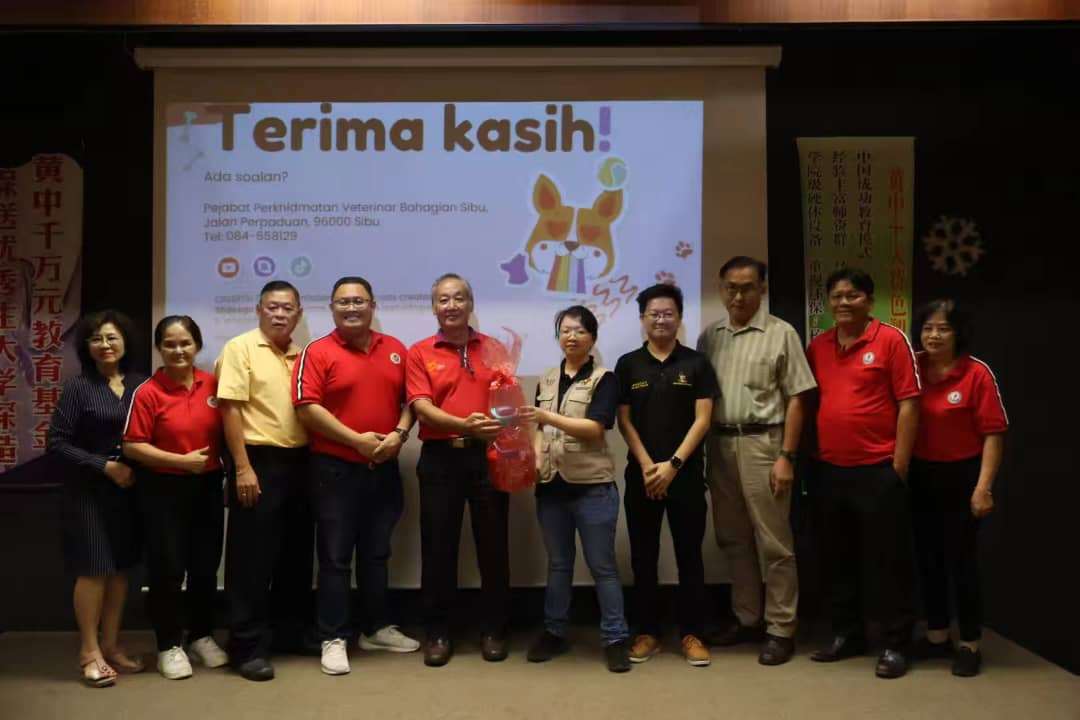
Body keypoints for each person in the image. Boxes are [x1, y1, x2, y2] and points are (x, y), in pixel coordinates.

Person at [292, 276, 419, 676]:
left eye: (359, 301)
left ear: (372, 305)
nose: (351, 308)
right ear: (331, 308)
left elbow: (411, 402)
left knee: (377, 553)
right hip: (335, 469)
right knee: (335, 558)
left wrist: (399, 435)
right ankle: (333, 636)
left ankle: (375, 628)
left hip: (383, 466)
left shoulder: (395, 349)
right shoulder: (317, 351)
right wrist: (356, 441)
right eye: (343, 302)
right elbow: (306, 407)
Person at [697, 256, 816, 666]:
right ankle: (747, 617)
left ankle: (781, 627)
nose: (738, 296)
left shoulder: (781, 334)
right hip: (720, 446)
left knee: (775, 542)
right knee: (733, 538)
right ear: (721, 289)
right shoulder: (710, 337)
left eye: (747, 287)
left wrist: (787, 456)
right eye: (731, 287)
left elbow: (798, 398)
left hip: (764, 444)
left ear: (762, 289)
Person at [806, 267, 921, 679]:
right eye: (836, 296)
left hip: (878, 470)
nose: (843, 302)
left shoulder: (890, 340)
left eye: (852, 295)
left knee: (888, 561)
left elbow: (909, 403)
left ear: (869, 301)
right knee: (837, 559)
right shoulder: (818, 346)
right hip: (830, 470)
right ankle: (847, 634)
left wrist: (899, 465)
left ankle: (895, 643)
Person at [518, 305, 631, 673]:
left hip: (592, 487)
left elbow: (596, 428)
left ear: (592, 338)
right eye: (565, 330)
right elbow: (538, 429)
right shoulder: (548, 378)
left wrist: (546, 416)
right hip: (551, 486)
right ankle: (554, 632)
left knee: (603, 567)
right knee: (558, 565)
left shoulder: (604, 378)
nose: (571, 337)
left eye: (580, 331)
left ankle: (615, 638)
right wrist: (536, 456)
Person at [405, 273, 509, 667]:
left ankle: (494, 629)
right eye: (444, 300)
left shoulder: (494, 348)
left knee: (494, 547)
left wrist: (504, 427)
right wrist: (465, 425)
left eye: (459, 298)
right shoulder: (420, 352)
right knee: (438, 548)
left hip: (489, 457)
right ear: (434, 307)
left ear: (471, 303)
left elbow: (507, 399)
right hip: (440, 459)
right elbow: (421, 407)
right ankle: (437, 632)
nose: (451, 306)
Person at [615, 283, 718, 667]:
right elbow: (624, 421)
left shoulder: (697, 363)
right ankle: (647, 632)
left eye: (668, 313)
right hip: (642, 476)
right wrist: (648, 466)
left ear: (679, 318)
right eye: (654, 314)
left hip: (685, 476)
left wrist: (672, 466)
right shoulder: (629, 364)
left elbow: (703, 420)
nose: (661, 319)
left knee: (690, 556)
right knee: (643, 557)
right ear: (643, 318)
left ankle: (693, 634)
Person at [122, 316, 229, 680]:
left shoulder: (213, 384)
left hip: (208, 486)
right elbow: (132, 446)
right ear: (159, 348)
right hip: (163, 490)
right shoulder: (148, 392)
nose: (178, 350)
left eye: (185, 343)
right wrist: (181, 461)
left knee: (205, 566)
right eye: (170, 344)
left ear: (197, 346)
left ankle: (201, 636)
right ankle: (169, 644)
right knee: (167, 570)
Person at [216, 280, 312, 682]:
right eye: (272, 307)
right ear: (258, 310)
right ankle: (246, 646)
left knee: (295, 554)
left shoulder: (303, 354)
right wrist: (242, 467)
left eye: (288, 308)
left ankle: (289, 634)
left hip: (301, 462)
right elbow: (230, 409)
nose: (280, 314)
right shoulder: (240, 348)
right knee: (250, 560)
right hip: (257, 461)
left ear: (298, 314)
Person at [47, 310, 147, 687]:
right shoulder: (79, 387)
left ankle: (111, 645)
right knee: (93, 569)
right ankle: (89, 652)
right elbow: (56, 443)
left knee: (120, 570)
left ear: (125, 342)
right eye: (96, 339)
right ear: (86, 347)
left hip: (128, 492)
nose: (105, 345)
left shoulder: (140, 383)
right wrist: (103, 465)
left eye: (111, 337)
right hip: (87, 491)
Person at [910, 299, 1007, 677]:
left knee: (961, 562)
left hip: (962, 476)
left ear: (958, 333)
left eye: (943, 328)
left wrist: (983, 487)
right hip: (920, 474)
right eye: (928, 328)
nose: (933, 335)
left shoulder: (976, 373)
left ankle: (969, 643)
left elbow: (993, 434)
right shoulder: (913, 366)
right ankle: (936, 637)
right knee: (928, 559)